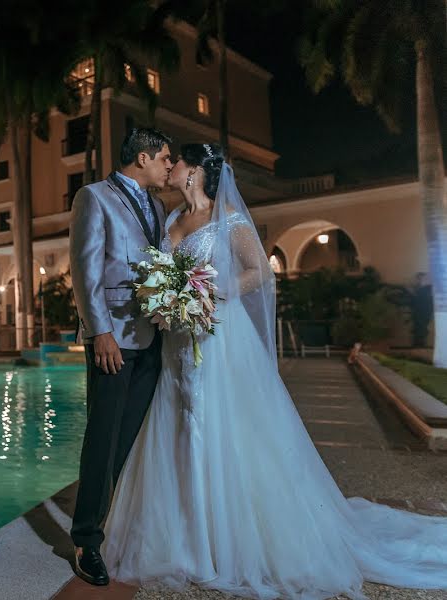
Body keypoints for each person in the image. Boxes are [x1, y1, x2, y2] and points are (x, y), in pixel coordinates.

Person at [102, 143, 447, 598]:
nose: (170, 168)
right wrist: (165, 298)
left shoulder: (230, 218)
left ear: (196, 171)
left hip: (220, 338)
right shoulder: (170, 221)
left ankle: (222, 537)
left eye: (176, 162)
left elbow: (259, 273)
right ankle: (187, 533)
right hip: (178, 343)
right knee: (179, 426)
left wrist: (212, 292)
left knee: (222, 426)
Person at [67, 127, 173, 586]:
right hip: (112, 341)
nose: (170, 166)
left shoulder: (159, 205)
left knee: (128, 440)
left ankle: (114, 522)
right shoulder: (93, 197)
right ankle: (86, 539)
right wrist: (100, 333)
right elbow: (84, 270)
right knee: (103, 438)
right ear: (144, 158)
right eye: (165, 159)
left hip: (153, 340)